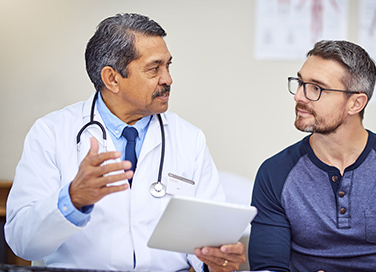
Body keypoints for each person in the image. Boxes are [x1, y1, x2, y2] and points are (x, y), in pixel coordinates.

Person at [5, 13, 245, 272]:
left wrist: (215, 262)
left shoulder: (189, 138)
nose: (168, 79)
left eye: (168, 66)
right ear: (112, 78)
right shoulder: (51, 133)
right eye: (154, 68)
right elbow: (22, 243)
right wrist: (73, 199)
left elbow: (206, 244)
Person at [248, 40, 376, 271]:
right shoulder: (275, 172)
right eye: (300, 82)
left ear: (355, 103)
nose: (299, 97)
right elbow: (268, 267)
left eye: (316, 88)